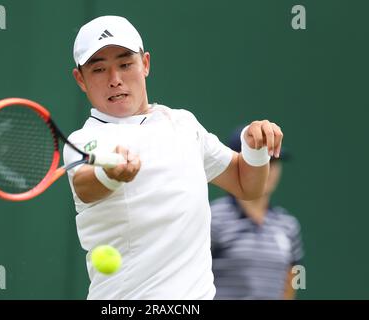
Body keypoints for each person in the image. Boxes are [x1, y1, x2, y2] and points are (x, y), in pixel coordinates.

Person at [63, 15, 284, 299]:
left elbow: (247, 185)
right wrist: (110, 174)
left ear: (145, 64)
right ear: (80, 79)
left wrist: (254, 147)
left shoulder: (182, 124)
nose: (115, 80)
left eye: (125, 64)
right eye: (99, 70)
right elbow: (85, 185)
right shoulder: (83, 141)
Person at [210, 126, 304, 300]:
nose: (268, 170)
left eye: (273, 162)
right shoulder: (213, 218)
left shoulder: (288, 225)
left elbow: (297, 274)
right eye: (261, 160)